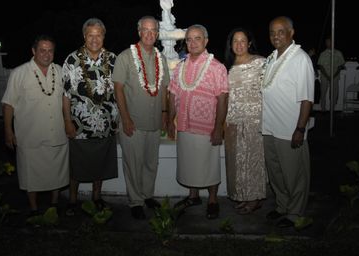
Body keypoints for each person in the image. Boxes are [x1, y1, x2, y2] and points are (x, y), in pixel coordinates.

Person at [1, 34, 69, 216]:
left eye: (50, 50)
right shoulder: (19, 73)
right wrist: (8, 131)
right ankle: (33, 208)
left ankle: (54, 204)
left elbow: (66, 100)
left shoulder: (61, 71)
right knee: (31, 175)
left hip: (56, 133)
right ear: (33, 51)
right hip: (30, 135)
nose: (46, 54)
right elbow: (8, 104)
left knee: (56, 171)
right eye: (42, 50)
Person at [168, 24, 228, 219]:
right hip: (184, 124)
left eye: (197, 38)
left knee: (209, 164)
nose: (192, 43)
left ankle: (212, 199)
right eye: (189, 39)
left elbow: (222, 99)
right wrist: (170, 121)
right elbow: (173, 94)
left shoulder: (217, 67)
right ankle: (193, 196)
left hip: (207, 127)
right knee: (189, 162)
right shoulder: (180, 67)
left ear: (206, 41)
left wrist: (218, 127)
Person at [112, 16, 170, 220]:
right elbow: (118, 89)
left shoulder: (160, 58)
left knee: (150, 163)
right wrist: (125, 118)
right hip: (133, 122)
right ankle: (135, 201)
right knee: (133, 163)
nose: (149, 34)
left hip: (154, 120)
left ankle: (147, 196)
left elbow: (163, 89)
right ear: (138, 32)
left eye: (153, 30)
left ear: (157, 33)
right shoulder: (125, 57)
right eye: (145, 30)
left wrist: (164, 113)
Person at [261, 16, 314, 228]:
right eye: (272, 32)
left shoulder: (300, 59)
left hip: (290, 129)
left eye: (281, 31)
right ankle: (282, 205)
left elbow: (307, 98)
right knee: (276, 172)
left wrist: (300, 128)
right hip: (269, 127)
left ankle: (295, 212)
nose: (276, 36)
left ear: (291, 33)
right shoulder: (272, 57)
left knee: (295, 174)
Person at [62, 18, 118, 216]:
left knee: (100, 163)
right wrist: (68, 121)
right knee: (77, 163)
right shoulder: (72, 60)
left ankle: (97, 197)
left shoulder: (112, 59)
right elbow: (66, 95)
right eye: (90, 35)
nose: (95, 39)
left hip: (107, 123)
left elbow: (120, 91)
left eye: (99, 34)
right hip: (80, 125)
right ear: (84, 36)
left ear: (104, 36)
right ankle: (73, 200)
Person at [223, 28, 267, 215]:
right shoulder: (227, 66)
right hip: (233, 119)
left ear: (249, 43)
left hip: (254, 119)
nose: (239, 44)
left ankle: (255, 198)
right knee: (238, 161)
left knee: (254, 160)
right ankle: (243, 196)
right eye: (235, 41)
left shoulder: (260, 63)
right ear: (231, 44)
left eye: (243, 40)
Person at [317, 37, 345, 111]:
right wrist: (327, 76)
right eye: (327, 42)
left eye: (329, 42)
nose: (328, 43)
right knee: (323, 93)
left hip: (335, 77)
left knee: (334, 94)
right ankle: (323, 109)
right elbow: (321, 66)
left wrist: (333, 76)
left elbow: (340, 66)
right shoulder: (323, 54)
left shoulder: (339, 53)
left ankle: (332, 109)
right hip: (324, 77)